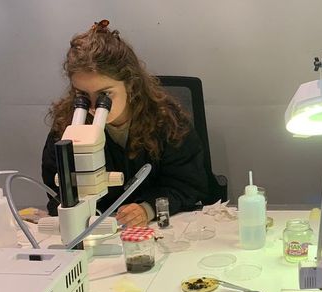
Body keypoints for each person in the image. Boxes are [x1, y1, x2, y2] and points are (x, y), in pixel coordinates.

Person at [42, 20, 210, 227]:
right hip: (95, 228)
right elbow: (55, 190)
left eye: (105, 95)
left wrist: (148, 209)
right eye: (83, 96)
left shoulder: (166, 121)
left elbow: (188, 184)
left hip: (156, 228)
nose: (94, 107)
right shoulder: (66, 127)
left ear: (130, 84)